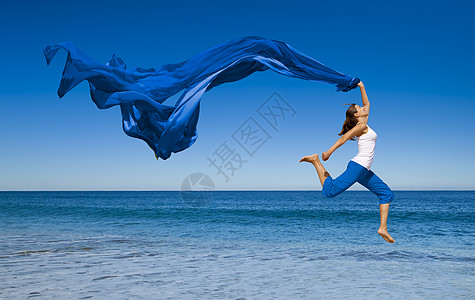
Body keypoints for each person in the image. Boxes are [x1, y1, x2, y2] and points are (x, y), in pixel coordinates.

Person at [299, 81, 395, 243]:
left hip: (364, 170)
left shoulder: (365, 122)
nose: (364, 108)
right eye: (360, 109)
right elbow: (344, 138)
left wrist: (361, 86)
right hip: (358, 166)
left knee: (386, 194)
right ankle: (316, 160)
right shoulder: (361, 126)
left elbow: (367, 103)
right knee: (330, 192)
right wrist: (329, 151)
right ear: (357, 115)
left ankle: (382, 228)